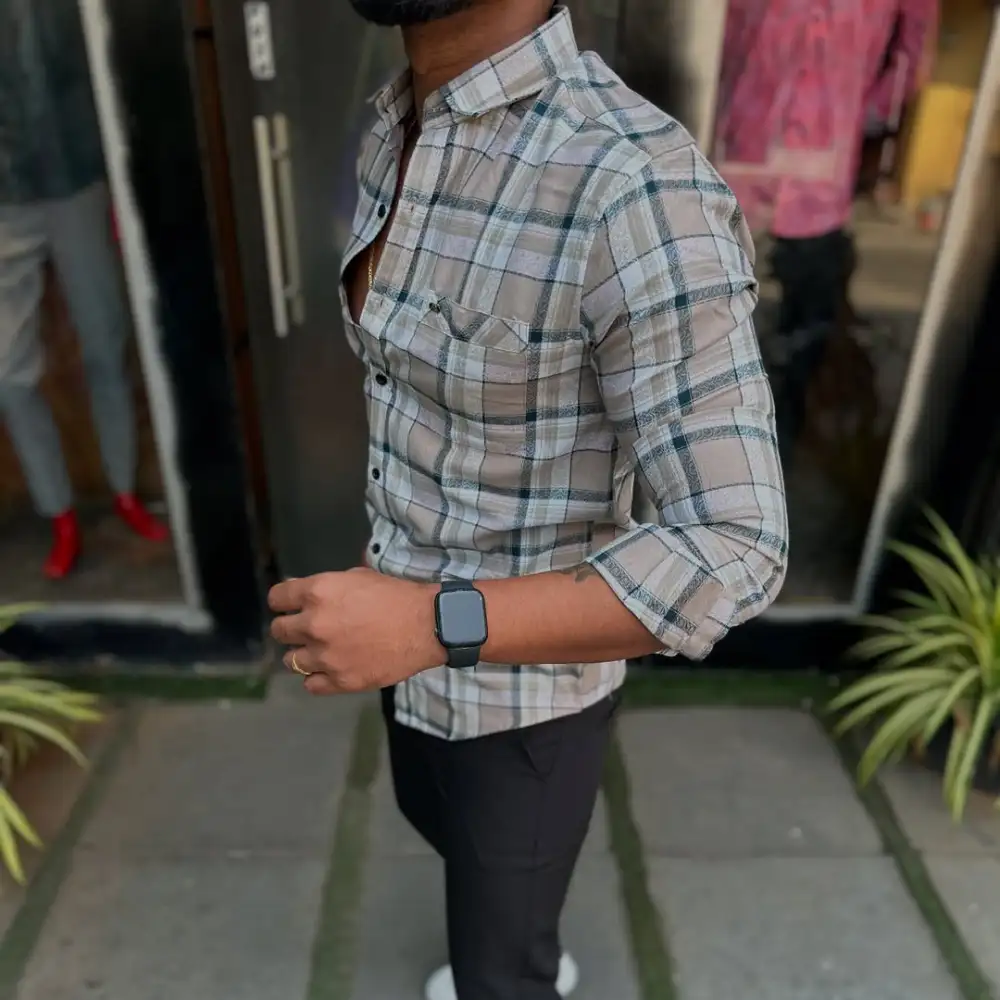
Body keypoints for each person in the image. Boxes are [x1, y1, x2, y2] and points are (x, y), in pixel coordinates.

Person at [269, 3, 788, 998]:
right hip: (405, 650)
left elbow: (735, 543)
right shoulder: (391, 128)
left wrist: (430, 622)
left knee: (501, 965)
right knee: (438, 827)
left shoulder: (633, 185)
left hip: (523, 710)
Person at [712, 0, 938, 466]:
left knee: (802, 339)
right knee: (707, 321)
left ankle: (771, 461)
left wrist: (855, 114)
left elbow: (911, 61)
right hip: (739, 157)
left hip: (808, 173)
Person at [0, 0, 168, 579]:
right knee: (8, 373)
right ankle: (59, 513)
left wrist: (120, 175)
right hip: (5, 196)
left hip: (79, 174)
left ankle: (123, 491)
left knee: (105, 342)